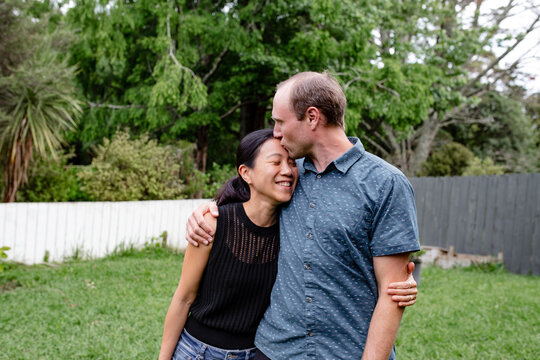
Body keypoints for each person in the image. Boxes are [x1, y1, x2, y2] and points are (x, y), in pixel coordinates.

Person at [186, 71, 421, 359]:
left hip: (346, 352)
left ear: (312, 117)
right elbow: (247, 191)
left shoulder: (385, 184)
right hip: (274, 349)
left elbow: (393, 292)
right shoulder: (289, 175)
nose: (275, 132)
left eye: (280, 121)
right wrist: (206, 211)